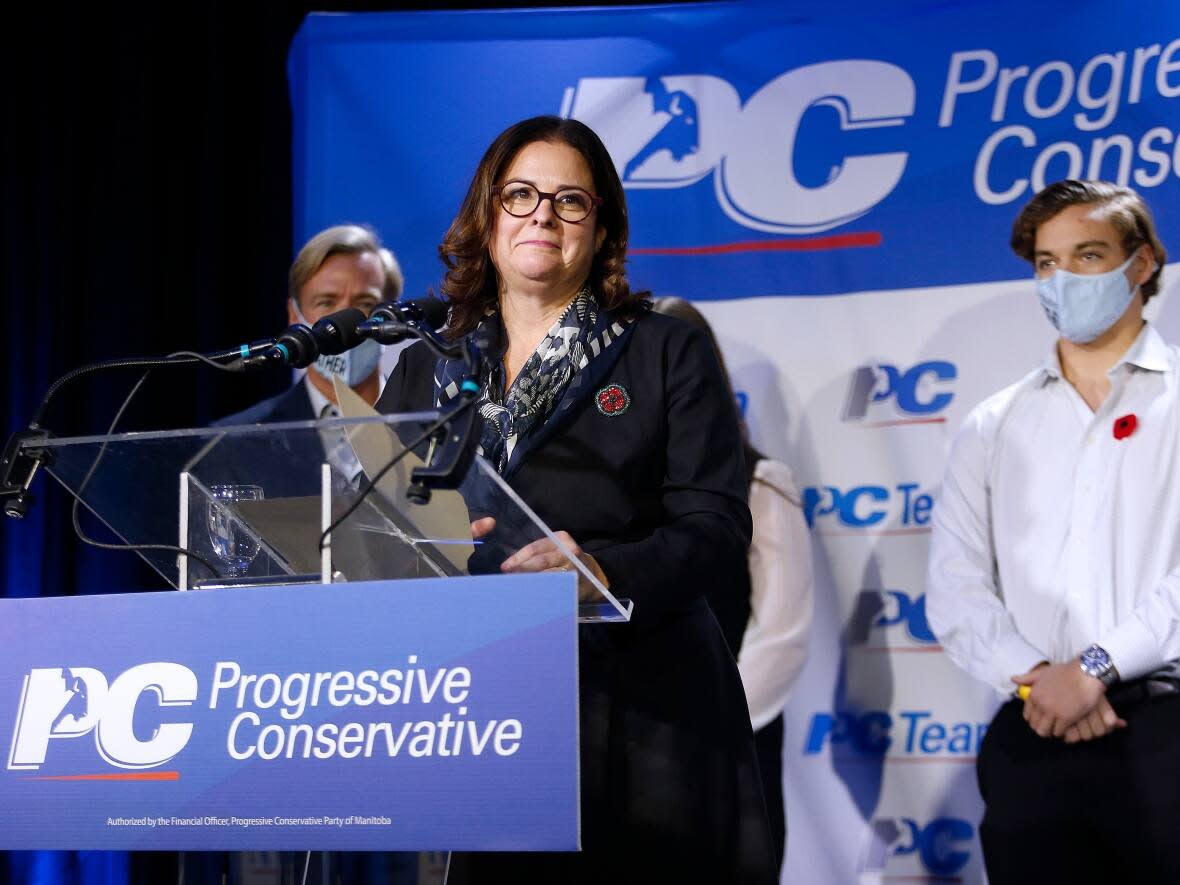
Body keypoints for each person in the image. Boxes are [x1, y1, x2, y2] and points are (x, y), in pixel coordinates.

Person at [377, 116, 777, 884]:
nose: (542, 215)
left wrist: (599, 570)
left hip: (642, 709)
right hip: (485, 705)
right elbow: (386, 520)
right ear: (487, 215)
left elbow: (716, 525)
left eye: (570, 201)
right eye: (520, 194)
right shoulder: (431, 364)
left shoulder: (664, 348)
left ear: (602, 228)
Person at [926, 180, 1177, 883]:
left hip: (1166, 728)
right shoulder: (994, 424)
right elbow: (955, 586)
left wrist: (1096, 668)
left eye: (1088, 255)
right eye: (1045, 262)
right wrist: (1046, 682)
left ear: (1144, 263)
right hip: (1033, 730)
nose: (1063, 279)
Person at [651, 296, 813, 872]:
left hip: (729, 750)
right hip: (636, 746)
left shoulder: (759, 480)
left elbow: (782, 635)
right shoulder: (613, 495)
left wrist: (712, 727)